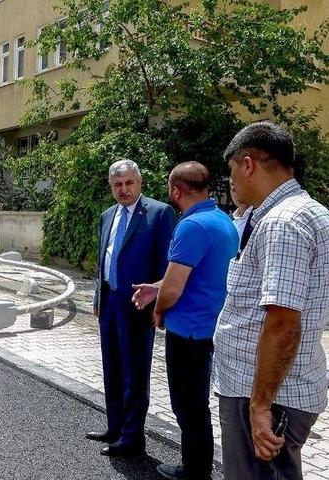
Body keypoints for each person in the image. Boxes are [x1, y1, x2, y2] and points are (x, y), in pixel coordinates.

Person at [214, 122, 329, 479]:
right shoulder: (307, 212)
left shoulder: (284, 222)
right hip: (277, 388)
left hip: (268, 395)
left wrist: (260, 406)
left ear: (248, 164)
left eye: (232, 169)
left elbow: (283, 321)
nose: (232, 180)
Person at [131, 162, 239, 479]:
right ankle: (198, 467)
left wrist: (159, 311)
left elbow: (175, 286)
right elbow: (196, 274)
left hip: (188, 334)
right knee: (196, 406)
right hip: (211, 328)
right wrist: (156, 287)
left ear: (176, 191)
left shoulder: (191, 227)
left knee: (188, 408)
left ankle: (194, 471)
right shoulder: (223, 221)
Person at [87, 159, 176, 457]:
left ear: (139, 183)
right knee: (111, 366)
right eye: (117, 184)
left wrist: (159, 304)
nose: (123, 189)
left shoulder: (159, 213)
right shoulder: (106, 216)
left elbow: (166, 264)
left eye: (128, 183)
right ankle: (115, 427)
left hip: (139, 303)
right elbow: (103, 261)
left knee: (135, 371)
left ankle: (133, 436)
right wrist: (98, 298)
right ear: (111, 187)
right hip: (110, 302)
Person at [229, 178, 254, 255]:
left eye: (239, 187)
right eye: (233, 189)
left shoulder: (258, 218)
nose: (236, 193)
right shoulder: (229, 219)